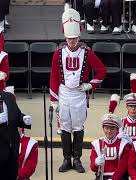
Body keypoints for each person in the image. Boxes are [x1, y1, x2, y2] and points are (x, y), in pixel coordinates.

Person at [50, 8, 106, 173]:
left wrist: (90, 85)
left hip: (79, 94)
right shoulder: (58, 53)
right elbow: (53, 76)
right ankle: (67, 159)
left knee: (78, 126)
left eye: (74, 39)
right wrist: (54, 99)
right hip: (64, 92)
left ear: (79, 37)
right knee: (65, 126)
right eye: (69, 39)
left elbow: (102, 70)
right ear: (65, 37)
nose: (72, 42)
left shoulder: (87, 53)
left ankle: (77, 159)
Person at [90, 114, 131, 179]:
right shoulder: (96, 144)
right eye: (106, 128)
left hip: (119, 177)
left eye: (112, 129)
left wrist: (113, 178)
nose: (109, 131)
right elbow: (93, 168)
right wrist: (96, 163)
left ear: (117, 130)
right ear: (103, 128)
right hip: (102, 177)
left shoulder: (124, 144)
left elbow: (123, 167)